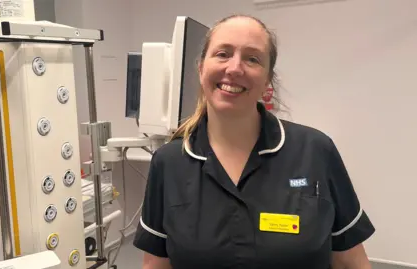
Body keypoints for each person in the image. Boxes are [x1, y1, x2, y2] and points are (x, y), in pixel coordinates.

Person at [133, 14, 375, 269]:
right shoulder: (170, 162)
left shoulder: (315, 150)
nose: (235, 68)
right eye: (223, 53)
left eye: (252, 58)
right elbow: (156, 265)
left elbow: (350, 262)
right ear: (201, 67)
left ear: (267, 79)